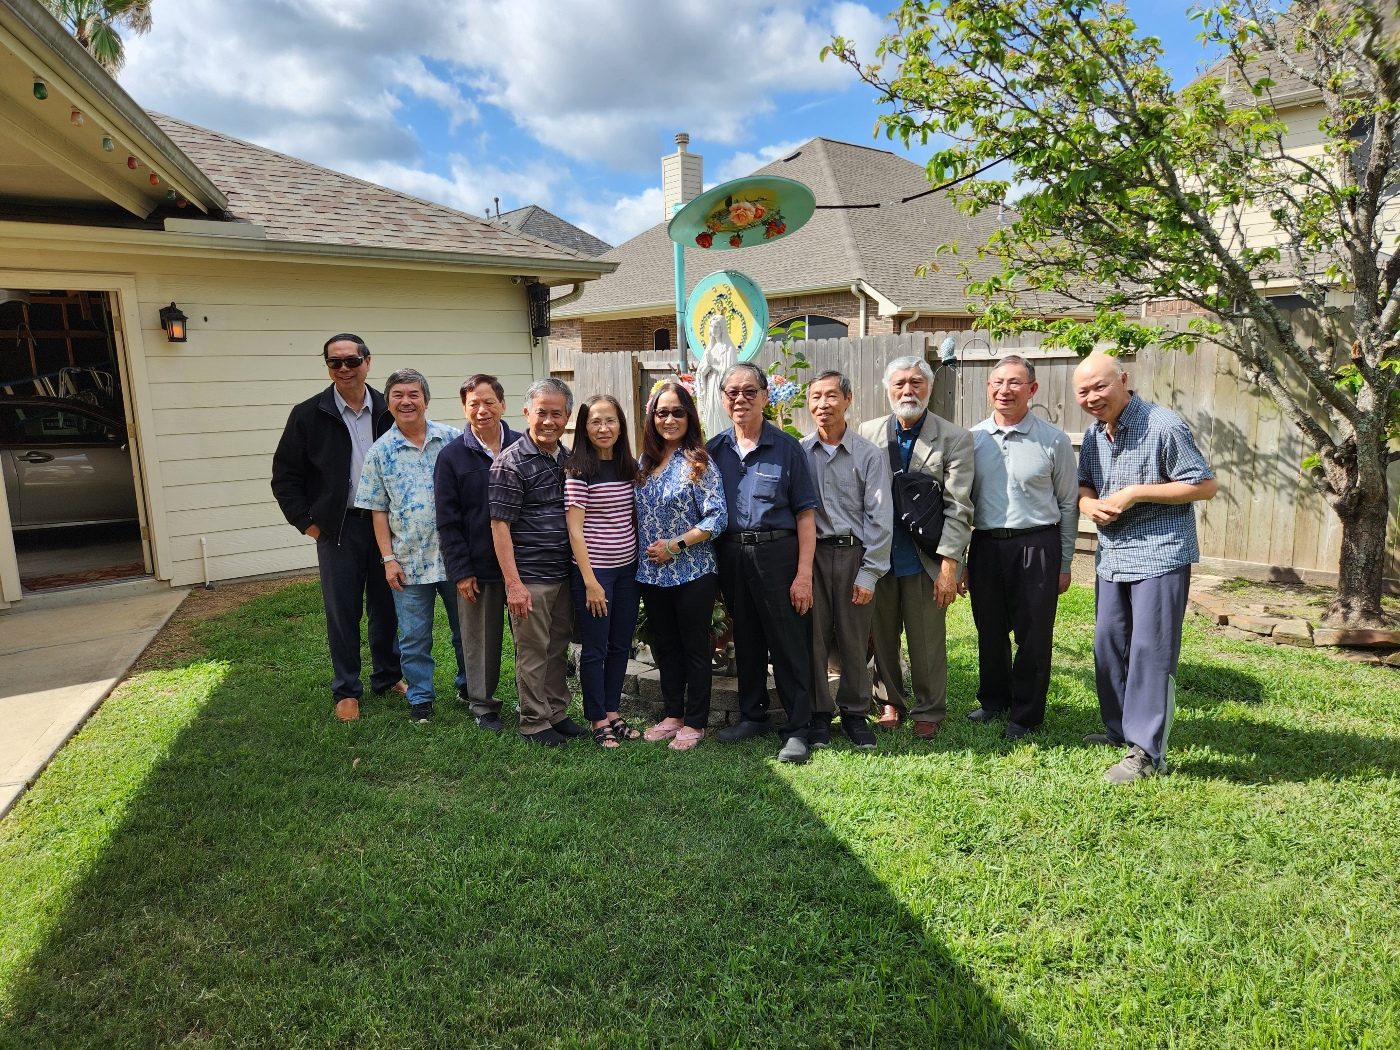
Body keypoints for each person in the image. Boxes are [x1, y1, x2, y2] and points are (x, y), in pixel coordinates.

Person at [1074, 352, 1217, 784]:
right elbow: (1084, 483)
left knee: (1150, 652)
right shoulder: (1096, 433)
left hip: (1160, 553)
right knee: (1109, 643)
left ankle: (1147, 752)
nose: (1092, 397)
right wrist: (1086, 504)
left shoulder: (1163, 425)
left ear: (1123, 379)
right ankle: (1120, 730)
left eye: (1100, 386)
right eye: (1083, 391)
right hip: (1113, 557)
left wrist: (1136, 492)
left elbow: (1204, 484)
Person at [271, 334, 404, 722]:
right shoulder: (308, 414)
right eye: (335, 362)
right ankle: (346, 689)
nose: (344, 368)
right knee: (342, 612)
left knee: (386, 606)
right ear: (328, 366)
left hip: (385, 527)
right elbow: (285, 477)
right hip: (338, 529)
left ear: (367, 362)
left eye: (352, 360)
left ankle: (388, 676)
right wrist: (310, 526)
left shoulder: (390, 409)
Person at [706, 362, 819, 765]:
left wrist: (803, 575)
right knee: (747, 639)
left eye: (749, 391)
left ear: (766, 397)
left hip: (778, 554)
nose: (741, 399)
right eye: (732, 392)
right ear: (723, 399)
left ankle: (798, 728)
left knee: (788, 643)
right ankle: (753, 716)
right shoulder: (713, 451)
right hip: (732, 554)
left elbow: (806, 515)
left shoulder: (787, 447)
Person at [961, 355, 1078, 740]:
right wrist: (960, 560)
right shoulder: (972, 440)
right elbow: (959, 504)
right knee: (989, 629)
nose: (1004, 390)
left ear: (1032, 389)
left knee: (1033, 635)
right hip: (986, 546)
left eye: (1014, 382)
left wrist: (1064, 562)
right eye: (997, 382)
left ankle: (1026, 714)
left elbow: (1068, 504)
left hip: (1036, 546)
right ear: (988, 387)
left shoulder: (1054, 440)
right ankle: (994, 700)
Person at [858, 355, 974, 740]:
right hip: (879, 556)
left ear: (929, 387)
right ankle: (889, 700)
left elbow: (959, 508)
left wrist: (949, 567)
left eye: (916, 383)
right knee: (882, 634)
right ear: (888, 390)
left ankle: (929, 708)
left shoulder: (954, 437)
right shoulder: (868, 432)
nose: (908, 390)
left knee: (927, 640)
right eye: (900, 384)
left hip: (925, 558)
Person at [355, 368, 467, 723]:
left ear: (426, 400)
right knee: (415, 637)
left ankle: (470, 688)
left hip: (456, 559)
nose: (406, 401)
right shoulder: (379, 452)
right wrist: (388, 559)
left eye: (413, 394)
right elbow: (378, 510)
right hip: (409, 562)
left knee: (466, 631)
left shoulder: (453, 440)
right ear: (388, 403)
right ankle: (421, 698)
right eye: (398, 395)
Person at [490, 377, 588, 747]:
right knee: (532, 651)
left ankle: (556, 712)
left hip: (563, 573)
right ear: (527, 413)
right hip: (530, 577)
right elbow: (499, 527)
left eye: (557, 414)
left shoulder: (567, 458)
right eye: (541, 412)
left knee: (557, 647)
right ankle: (533, 721)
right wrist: (514, 585)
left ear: (567, 417)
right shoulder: (510, 463)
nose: (549, 421)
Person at [800, 370, 892, 751]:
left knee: (854, 637)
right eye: (816, 397)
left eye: (831, 396)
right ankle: (819, 713)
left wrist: (870, 573)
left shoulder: (869, 455)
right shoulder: (800, 454)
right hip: (813, 555)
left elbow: (880, 518)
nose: (823, 404)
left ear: (848, 400)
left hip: (855, 554)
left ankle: (855, 712)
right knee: (814, 637)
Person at [635, 381, 727, 751]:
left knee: (694, 648)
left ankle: (695, 721)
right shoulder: (643, 464)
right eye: (662, 412)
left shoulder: (699, 463)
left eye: (677, 412)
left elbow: (717, 517)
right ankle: (673, 715)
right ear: (652, 418)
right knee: (666, 645)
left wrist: (675, 545)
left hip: (693, 572)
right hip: (652, 575)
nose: (669, 419)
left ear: (689, 416)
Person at [434, 374, 521, 732]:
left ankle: (531, 699)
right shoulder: (451, 456)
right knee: (479, 641)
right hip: (478, 566)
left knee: (530, 640)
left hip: (525, 564)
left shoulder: (524, 446)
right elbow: (447, 521)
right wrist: (461, 570)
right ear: (464, 408)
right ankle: (483, 705)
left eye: (489, 402)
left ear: (503, 404)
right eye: (474, 404)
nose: (482, 410)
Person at [565, 395, 645, 748]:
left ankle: (613, 711)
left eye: (610, 420)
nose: (603, 428)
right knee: (595, 648)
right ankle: (597, 718)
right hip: (595, 573)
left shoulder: (628, 466)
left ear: (621, 425)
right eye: (595, 421)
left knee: (620, 645)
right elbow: (575, 531)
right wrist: (590, 582)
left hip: (628, 571)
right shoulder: (579, 470)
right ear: (584, 428)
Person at [694, 314, 738, 440]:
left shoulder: (729, 349)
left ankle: (726, 440)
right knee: (710, 413)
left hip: (722, 388)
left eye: (716, 327)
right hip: (711, 386)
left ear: (722, 328)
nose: (713, 330)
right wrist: (707, 367)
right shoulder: (710, 349)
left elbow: (730, 373)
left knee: (721, 411)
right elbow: (701, 372)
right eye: (711, 327)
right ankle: (712, 440)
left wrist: (713, 364)